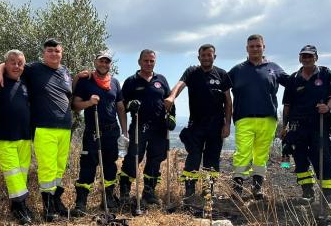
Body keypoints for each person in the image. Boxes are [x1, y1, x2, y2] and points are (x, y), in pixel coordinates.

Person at [0, 38, 74, 221]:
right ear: (44, 53)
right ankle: (47, 209)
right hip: (44, 128)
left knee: (59, 168)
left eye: (57, 51)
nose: (53, 54)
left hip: (65, 128)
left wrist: (84, 75)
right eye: (50, 50)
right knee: (48, 168)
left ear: (62, 52)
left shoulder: (66, 72)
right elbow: (14, 63)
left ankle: (56, 201)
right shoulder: (34, 69)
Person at [164, 44, 232, 202]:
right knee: (193, 156)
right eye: (203, 55)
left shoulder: (222, 74)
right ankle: (189, 191)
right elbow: (180, 85)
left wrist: (227, 124)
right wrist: (172, 97)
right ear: (199, 57)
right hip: (196, 124)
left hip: (216, 125)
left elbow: (228, 101)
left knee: (212, 158)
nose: (206, 58)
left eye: (209, 55)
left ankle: (209, 191)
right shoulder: (192, 72)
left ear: (214, 57)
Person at [228, 35, 292, 200]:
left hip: (268, 119)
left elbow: (293, 83)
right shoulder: (237, 70)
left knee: (261, 154)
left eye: (258, 46)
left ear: (264, 47)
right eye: (252, 46)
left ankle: (257, 188)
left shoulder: (274, 68)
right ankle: (237, 187)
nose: (255, 49)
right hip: (244, 118)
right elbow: (220, 86)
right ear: (246, 48)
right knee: (243, 152)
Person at [279, 45, 331, 217]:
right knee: (300, 160)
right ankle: (307, 193)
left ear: (316, 57)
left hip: (319, 124)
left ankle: (328, 196)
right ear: (299, 58)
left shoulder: (326, 74)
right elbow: (287, 106)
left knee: (324, 159)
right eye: (303, 56)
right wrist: (285, 127)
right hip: (298, 126)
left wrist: (327, 107)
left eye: (310, 56)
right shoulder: (293, 79)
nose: (307, 59)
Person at [72, 51, 127, 213]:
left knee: (110, 166)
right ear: (95, 62)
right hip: (92, 131)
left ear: (110, 64)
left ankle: (108, 198)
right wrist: (89, 102)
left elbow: (120, 107)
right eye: (101, 61)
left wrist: (124, 131)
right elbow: (75, 105)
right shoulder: (86, 81)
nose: (104, 64)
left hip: (112, 131)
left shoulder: (115, 83)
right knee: (88, 166)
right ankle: (81, 202)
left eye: (107, 62)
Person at [119, 50, 174, 208]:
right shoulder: (131, 81)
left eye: (151, 61)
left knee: (155, 160)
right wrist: (130, 105)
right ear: (139, 62)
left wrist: (171, 118)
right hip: (139, 126)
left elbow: (170, 102)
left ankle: (149, 193)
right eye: (146, 60)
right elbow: (123, 104)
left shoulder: (161, 80)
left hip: (159, 129)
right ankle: (124, 192)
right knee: (133, 158)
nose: (149, 63)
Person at [0, 49, 35, 225]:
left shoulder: (26, 81)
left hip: (25, 137)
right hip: (4, 137)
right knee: (13, 174)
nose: (16, 66)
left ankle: (17, 205)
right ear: (5, 63)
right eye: (12, 62)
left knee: (21, 174)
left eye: (20, 63)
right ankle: (20, 208)